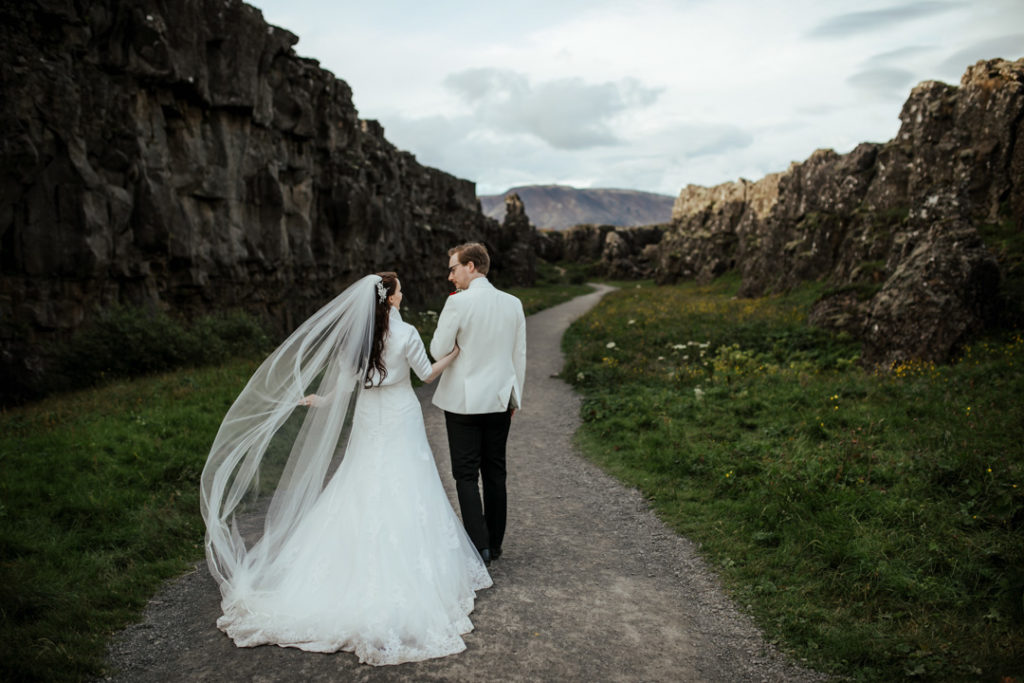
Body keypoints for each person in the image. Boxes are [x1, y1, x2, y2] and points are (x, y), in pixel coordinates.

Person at [200, 272, 492, 666]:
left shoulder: (360, 341)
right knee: (408, 482)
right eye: (400, 290)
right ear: (390, 299)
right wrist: (454, 354)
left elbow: (345, 386)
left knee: (362, 480)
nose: (403, 294)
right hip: (401, 413)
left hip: (370, 416)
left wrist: (322, 399)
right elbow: (425, 374)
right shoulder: (406, 336)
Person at [430, 243, 527, 565]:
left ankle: (479, 547)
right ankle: (495, 545)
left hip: (463, 402)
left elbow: (437, 349)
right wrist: (515, 398)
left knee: (466, 475)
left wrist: (455, 343)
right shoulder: (513, 303)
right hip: (501, 400)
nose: (450, 276)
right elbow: (519, 356)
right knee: (496, 473)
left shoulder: (458, 303)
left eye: (454, 268)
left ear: (471, 266)